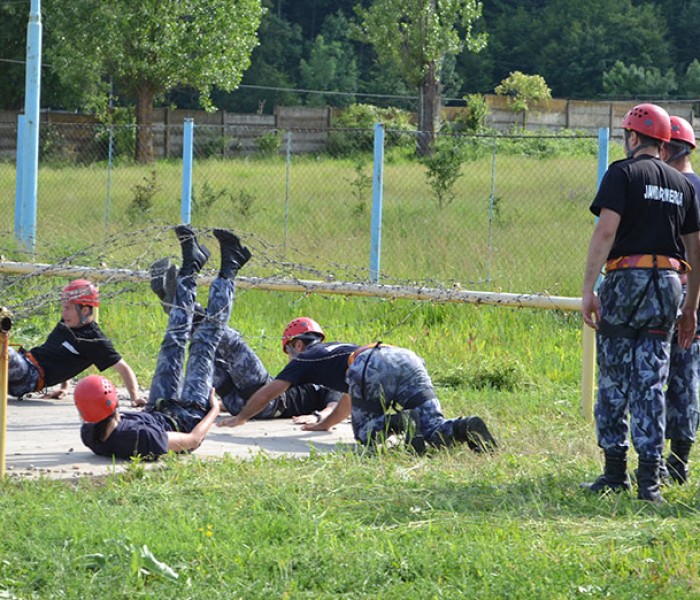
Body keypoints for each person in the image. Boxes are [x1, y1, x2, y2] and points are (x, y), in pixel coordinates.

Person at [581, 103, 700, 502]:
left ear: (633, 138)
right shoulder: (682, 185)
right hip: (669, 283)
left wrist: (588, 288)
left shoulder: (622, 173)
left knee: (615, 374)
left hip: (626, 279)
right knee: (652, 378)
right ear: (664, 144)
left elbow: (605, 232)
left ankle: (615, 470)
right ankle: (650, 481)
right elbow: (695, 252)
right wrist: (691, 308)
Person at [76, 225, 248, 460]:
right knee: (204, 342)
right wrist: (214, 410)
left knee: (173, 338)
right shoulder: (137, 438)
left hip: (158, 408)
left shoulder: (90, 433)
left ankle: (192, 264)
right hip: (189, 415)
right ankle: (229, 269)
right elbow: (192, 440)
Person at [217, 317, 498, 454]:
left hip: (369, 362)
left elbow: (268, 392)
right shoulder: (333, 352)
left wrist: (242, 417)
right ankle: (464, 427)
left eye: (288, 351)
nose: (289, 358)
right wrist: (324, 425)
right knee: (432, 432)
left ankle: (403, 421)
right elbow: (349, 400)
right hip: (406, 358)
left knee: (366, 435)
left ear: (297, 345)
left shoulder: (304, 359)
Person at [149, 259, 343, 423]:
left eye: (288, 350)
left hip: (267, 402)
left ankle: (185, 305)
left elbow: (334, 404)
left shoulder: (320, 375)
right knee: (205, 348)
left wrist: (317, 417)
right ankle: (178, 305)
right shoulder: (319, 373)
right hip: (240, 403)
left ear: (298, 345)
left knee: (231, 343)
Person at [7, 278, 146, 407]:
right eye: (63, 308)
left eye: (67, 308)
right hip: (24, 364)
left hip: (30, 377)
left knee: (5, 351)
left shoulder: (94, 340)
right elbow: (61, 353)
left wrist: (134, 397)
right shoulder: (67, 323)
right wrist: (64, 387)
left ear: (84, 310)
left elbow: (124, 368)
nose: (63, 314)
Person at [660, 115, 700, 484]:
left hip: (666, 291)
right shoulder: (698, 187)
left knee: (656, 375)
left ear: (666, 149)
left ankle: (655, 457)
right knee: (687, 378)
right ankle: (679, 460)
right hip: (694, 295)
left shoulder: (664, 188)